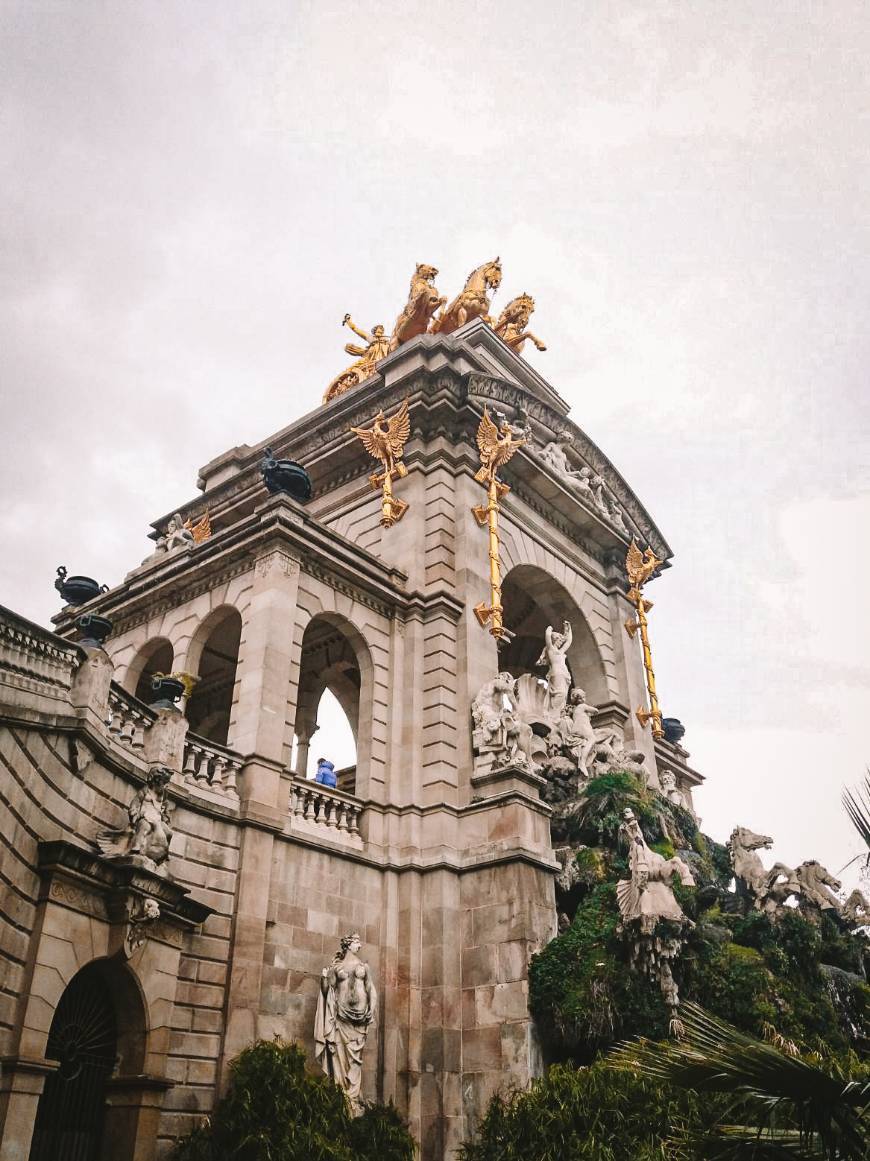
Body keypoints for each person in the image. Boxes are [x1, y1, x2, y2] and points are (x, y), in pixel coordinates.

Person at [314, 932, 377, 1110]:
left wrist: (371, 1010)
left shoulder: (364, 966)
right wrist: (324, 978)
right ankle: (344, 1099)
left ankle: (353, 1098)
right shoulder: (337, 967)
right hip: (341, 1018)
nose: (360, 945)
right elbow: (327, 992)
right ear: (348, 944)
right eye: (357, 941)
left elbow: (370, 989)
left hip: (360, 1020)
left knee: (356, 1060)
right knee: (341, 1058)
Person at [536, 620, 573, 715]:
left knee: (563, 695)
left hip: (564, 675)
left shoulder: (560, 652)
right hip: (557, 674)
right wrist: (549, 629)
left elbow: (568, 642)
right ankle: (553, 714)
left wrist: (569, 629)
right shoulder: (551, 650)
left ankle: (558, 713)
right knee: (559, 694)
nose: (561, 642)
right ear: (554, 640)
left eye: (561, 640)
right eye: (559, 640)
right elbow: (548, 637)